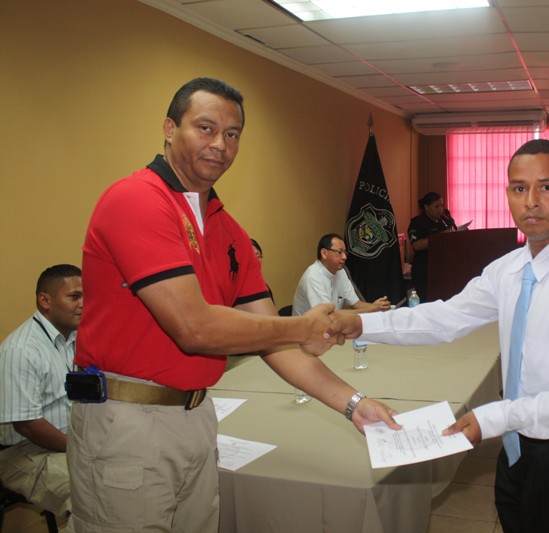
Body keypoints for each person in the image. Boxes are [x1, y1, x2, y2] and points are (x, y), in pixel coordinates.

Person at [69, 77, 399, 532]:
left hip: (197, 414)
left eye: (232, 134)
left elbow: (274, 342)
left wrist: (354, 404)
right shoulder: (136, 200)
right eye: (205, 128)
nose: (220, 144)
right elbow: (195, 328)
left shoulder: (227, 231)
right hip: (128, 420)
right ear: (169, 128)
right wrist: (301, 327)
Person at [338, 139, 549, 532]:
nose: (531, 201)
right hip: (518, 448)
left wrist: (494, 417)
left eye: (547, 187)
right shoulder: (508, 269)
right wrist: (362, 325)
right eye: (519, 188)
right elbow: (446, 318)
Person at [0, 264, 82, 530]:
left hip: (71, 441)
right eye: (74, 296)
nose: (83, 304)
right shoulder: (21, 349)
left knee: (128, 478)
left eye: (86, 296)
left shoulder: (78, 339)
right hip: (26, 452)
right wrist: (80, 449)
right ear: (45, 301)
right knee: (88, 494)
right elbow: (27, 425)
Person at [292, 233, 390, 316]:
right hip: (307, 330)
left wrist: (378, 306)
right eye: (339, 252)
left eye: (345, 252)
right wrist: (370, 309)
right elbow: (328, 315)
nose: (344, 257)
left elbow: (357, 304)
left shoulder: (341, 272)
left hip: (330, 327)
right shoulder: (313, 276)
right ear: (324, 253)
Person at [407, 192, 454, 302]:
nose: (440, 209)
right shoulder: (417, 222)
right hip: (424, 270)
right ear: (426, 207)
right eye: (436, 206)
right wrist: (440, 237)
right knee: (426, 301)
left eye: (441, 206)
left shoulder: (442, 221)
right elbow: (416, 245)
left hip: (441, 268)